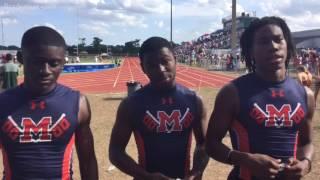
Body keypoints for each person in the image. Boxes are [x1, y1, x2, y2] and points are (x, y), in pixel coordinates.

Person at [206, 16, 314, 180]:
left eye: (278, 40)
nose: (273, 47)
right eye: (263, 42)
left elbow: (307, 143)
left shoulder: (306, 95)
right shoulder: (232, 93)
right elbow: (211, 144)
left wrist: (306, 163)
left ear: (287, 45)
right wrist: (245, 159)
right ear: (250, 50)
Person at [0, 26, 98, 179]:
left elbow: (88, 161)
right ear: (20, 58)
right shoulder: (3, 103)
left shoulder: (78, 103)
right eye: (37, 62)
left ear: (63, 62)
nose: (45, 70)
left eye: (54, 63)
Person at [109, 37, 209, 180]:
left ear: (175, 60)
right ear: (143, 67)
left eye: (165, 61)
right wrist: (145, 176)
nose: (160, 69)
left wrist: (196, 172)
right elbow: (115, 151)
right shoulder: (131, 104)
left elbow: (204, 144)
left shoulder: (194, 100)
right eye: (152, 65)